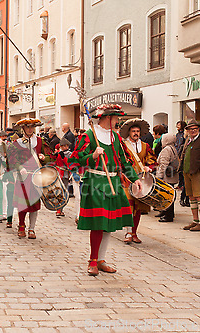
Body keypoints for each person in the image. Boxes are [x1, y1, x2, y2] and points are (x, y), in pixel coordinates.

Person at [69, 104, 142, 276]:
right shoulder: (88, 136)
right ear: (107, 118)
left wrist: (135, 179)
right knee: (98, 223)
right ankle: (92, 260)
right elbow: (76, 160)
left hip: (113, 183)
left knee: (108, 224)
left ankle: (101, 260)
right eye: (116, 118)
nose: (118, 122)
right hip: (94, 182)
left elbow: (124, 162)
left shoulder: (115, 138)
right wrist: (93, 155)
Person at [8, 118, 52, 239]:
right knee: (23, 203)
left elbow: (50, 157)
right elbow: (12, 159)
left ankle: (32, 228)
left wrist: (44, 157)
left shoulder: (40, 141)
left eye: (32, 127)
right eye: (27, 127)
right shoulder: (17, 143)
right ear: (23, 129)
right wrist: (19, 167)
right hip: (23, 176)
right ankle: (21, 225)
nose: (30, 129)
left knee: (34, 204)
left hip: (36, 176)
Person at [119, 118, 157, 243]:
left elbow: (152, 160)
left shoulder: (145, 146)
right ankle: (128, 232)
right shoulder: (124, 145)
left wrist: (148, 167)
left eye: (137, 131)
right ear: (129, 132)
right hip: (128, 179)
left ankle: (134, 233)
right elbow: (120, 161)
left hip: (142, 180)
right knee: (129, 206)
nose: (136, 133)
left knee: (138, 208)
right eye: (133, 131)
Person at [180, 119, 200, 232]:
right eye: (190, 129)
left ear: (198, 129)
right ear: (188, 130)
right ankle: (195, 220)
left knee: (199, 196)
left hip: (197, 172)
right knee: (191, 196)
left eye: (195, 129)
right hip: (187, 171)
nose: (193, 131)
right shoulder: (188, 139)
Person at [0, 130, 15, 225]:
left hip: (6, 176)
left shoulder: (9, 159)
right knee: (0, 196)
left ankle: (5, 213)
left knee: (6, 196)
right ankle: (0, 213)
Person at [155, 133, 179, 222]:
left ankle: (168, 215)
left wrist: (159, 177)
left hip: (166, 177)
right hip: (172, 176)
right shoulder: (173, 148)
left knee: (167, 196)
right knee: (168, 195)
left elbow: (163, 164)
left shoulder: (166, 150)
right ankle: (165, 212)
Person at [55, 137, 72, 217]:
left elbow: (69, 164)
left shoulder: (69, 154)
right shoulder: (58, 152)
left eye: (66, 146)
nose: (65, 147)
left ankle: (59, 209)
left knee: (63, 192)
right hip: (58, 173)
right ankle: (58, 209)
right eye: (63, 146)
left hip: (65, 174)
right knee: (59, 191)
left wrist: (63, 157)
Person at [175, 121, 189, 207]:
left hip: (189, 163)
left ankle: (186, 199)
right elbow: (180, 148)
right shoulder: (178, 136)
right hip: (182, 160)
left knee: (187, 183)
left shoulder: (187, 138)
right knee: (185, 182)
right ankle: (183, 198)